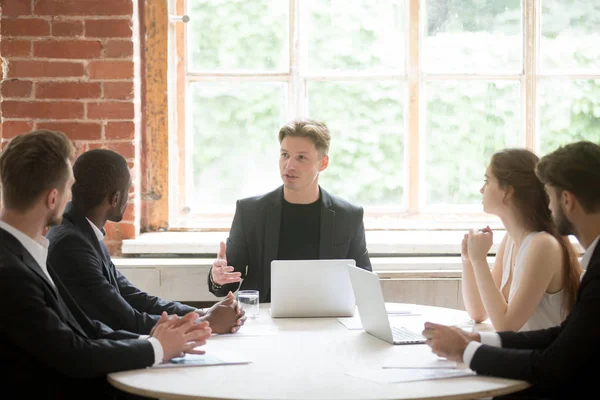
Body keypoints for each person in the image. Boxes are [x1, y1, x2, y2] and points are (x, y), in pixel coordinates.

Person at [0, 130, 212, 398]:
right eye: (68, 189)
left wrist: (151, 341)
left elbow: (84, 327)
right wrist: (157, 348)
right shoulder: (10, 271)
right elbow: (73, 353)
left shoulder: (27, 252)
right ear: (52, 198)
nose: (70, 199)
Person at [423, 140, 600, 400]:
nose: (548, 206)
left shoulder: (545, 246)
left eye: (550, 196)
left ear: (566, 200)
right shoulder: (514, 241)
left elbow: (516, 332)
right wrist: (476, 340)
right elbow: (560, 335)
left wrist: (467, 350)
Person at [47, 149, 246, 336]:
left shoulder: (81, 228)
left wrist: (200, 313)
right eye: (129, 189)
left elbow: (131, 296)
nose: (130, 196)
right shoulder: (71, 245)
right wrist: (206, 323)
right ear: (115, 198)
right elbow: (127, 320)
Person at [208, 118, 372, 303]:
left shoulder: (348, 216)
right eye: (285, 154)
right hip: (263, 319)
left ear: (323, 163)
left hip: (326, 319)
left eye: (301, 157)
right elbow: (227, 284)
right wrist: (218, 277)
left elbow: (364, 282)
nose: (289, 165)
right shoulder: (250, 212)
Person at [461, 148, 582, 332]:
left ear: (507, 192)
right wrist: (469, 260)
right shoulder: (510, 240)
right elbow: (478, 312)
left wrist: (480, 261)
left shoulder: (543, 245)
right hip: (524, 356)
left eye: (487, 181)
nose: (481, 189)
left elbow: (506, 326)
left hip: (548, 359)